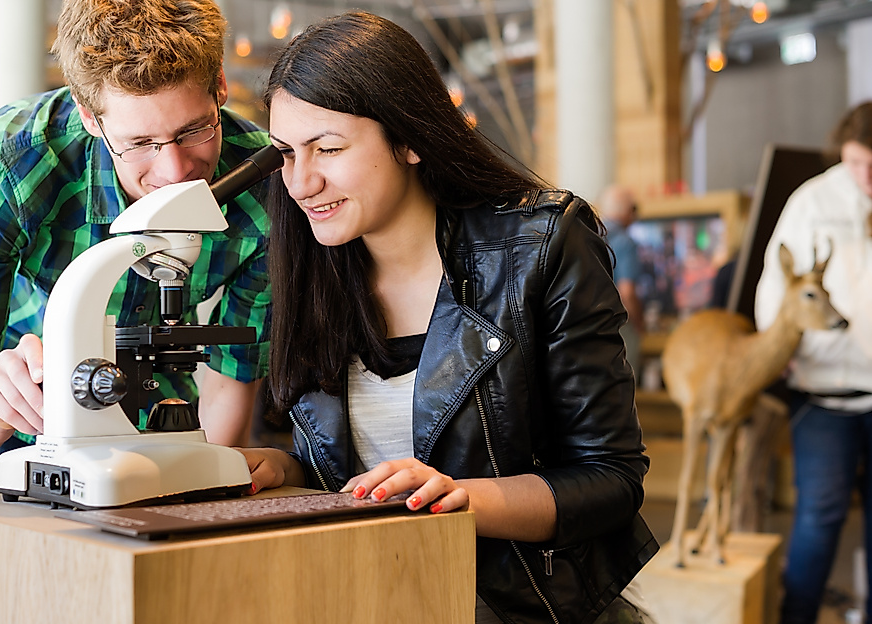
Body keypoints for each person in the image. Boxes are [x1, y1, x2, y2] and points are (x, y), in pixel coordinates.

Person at [238, 12, 657, 624]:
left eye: (328, 148)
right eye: (286, 154)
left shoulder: (541, 248)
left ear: (410, 139)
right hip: (367, 597)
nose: (301, 182)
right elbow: (345, 466)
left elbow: (611, 477)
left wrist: (464, 498)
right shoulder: (307, 269)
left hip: (520, 606)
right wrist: (281, 466)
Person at [0, 0, 272, 496]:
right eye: (140, 141)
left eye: (193, 130)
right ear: (89, 116)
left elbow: (232, 380)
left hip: (164, 421)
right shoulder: (11, 163)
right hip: (6, 429)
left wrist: (203, 479)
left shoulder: (263, 182)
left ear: (220, 86)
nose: (174, 172)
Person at [755, 101, 872, 624]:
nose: (865, 176)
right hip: (823, 396)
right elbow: (775, 287)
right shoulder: (812, 200)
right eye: (855, 163)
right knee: (818, 519)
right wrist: (775, 349)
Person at [597, 185, 644, 376]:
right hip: (619, 325)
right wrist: (640, 324)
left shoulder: (589, 235)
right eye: (634, 209)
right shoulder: (625, 241)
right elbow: (627, 293)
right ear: (626, 211)